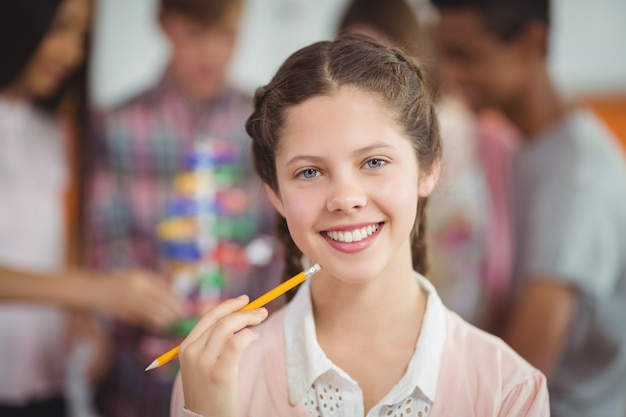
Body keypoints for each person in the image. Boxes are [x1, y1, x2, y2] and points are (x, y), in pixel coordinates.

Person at [169, 35, 549, 417]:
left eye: (374, 162)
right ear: (276, 194)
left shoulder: (509, 390)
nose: (345, 198)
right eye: (310, 171)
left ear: (429, 167)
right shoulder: (213, 382)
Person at [86, 0, 281, 416]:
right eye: (195, 34)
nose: (210, 51)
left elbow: (279, 237)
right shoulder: (119, 125)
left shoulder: (264, 123)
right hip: (139, 379)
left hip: (247, 371)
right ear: (164, 25)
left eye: (226, 34)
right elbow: (105, 244)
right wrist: (140, 294)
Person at [431, 0, 626, 415]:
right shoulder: (530, 151)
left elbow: (524, 375)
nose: (449, 75)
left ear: (530, 42)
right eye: (444, 55)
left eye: (466, 56)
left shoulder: (579, 182)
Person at [0, 0, 184, 415]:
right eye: (61, 29)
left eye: (81, 34)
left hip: (49, 385)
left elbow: (61, 241)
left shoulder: (56, 132)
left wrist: (80, 314)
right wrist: (98, 290)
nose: (74, 52)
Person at [337, 0, 518, 327]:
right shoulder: (342, 157)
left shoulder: (489, 141)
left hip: (474, 331)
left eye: (383, 61)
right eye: (353, 63)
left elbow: (508, 264)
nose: (368, 81)